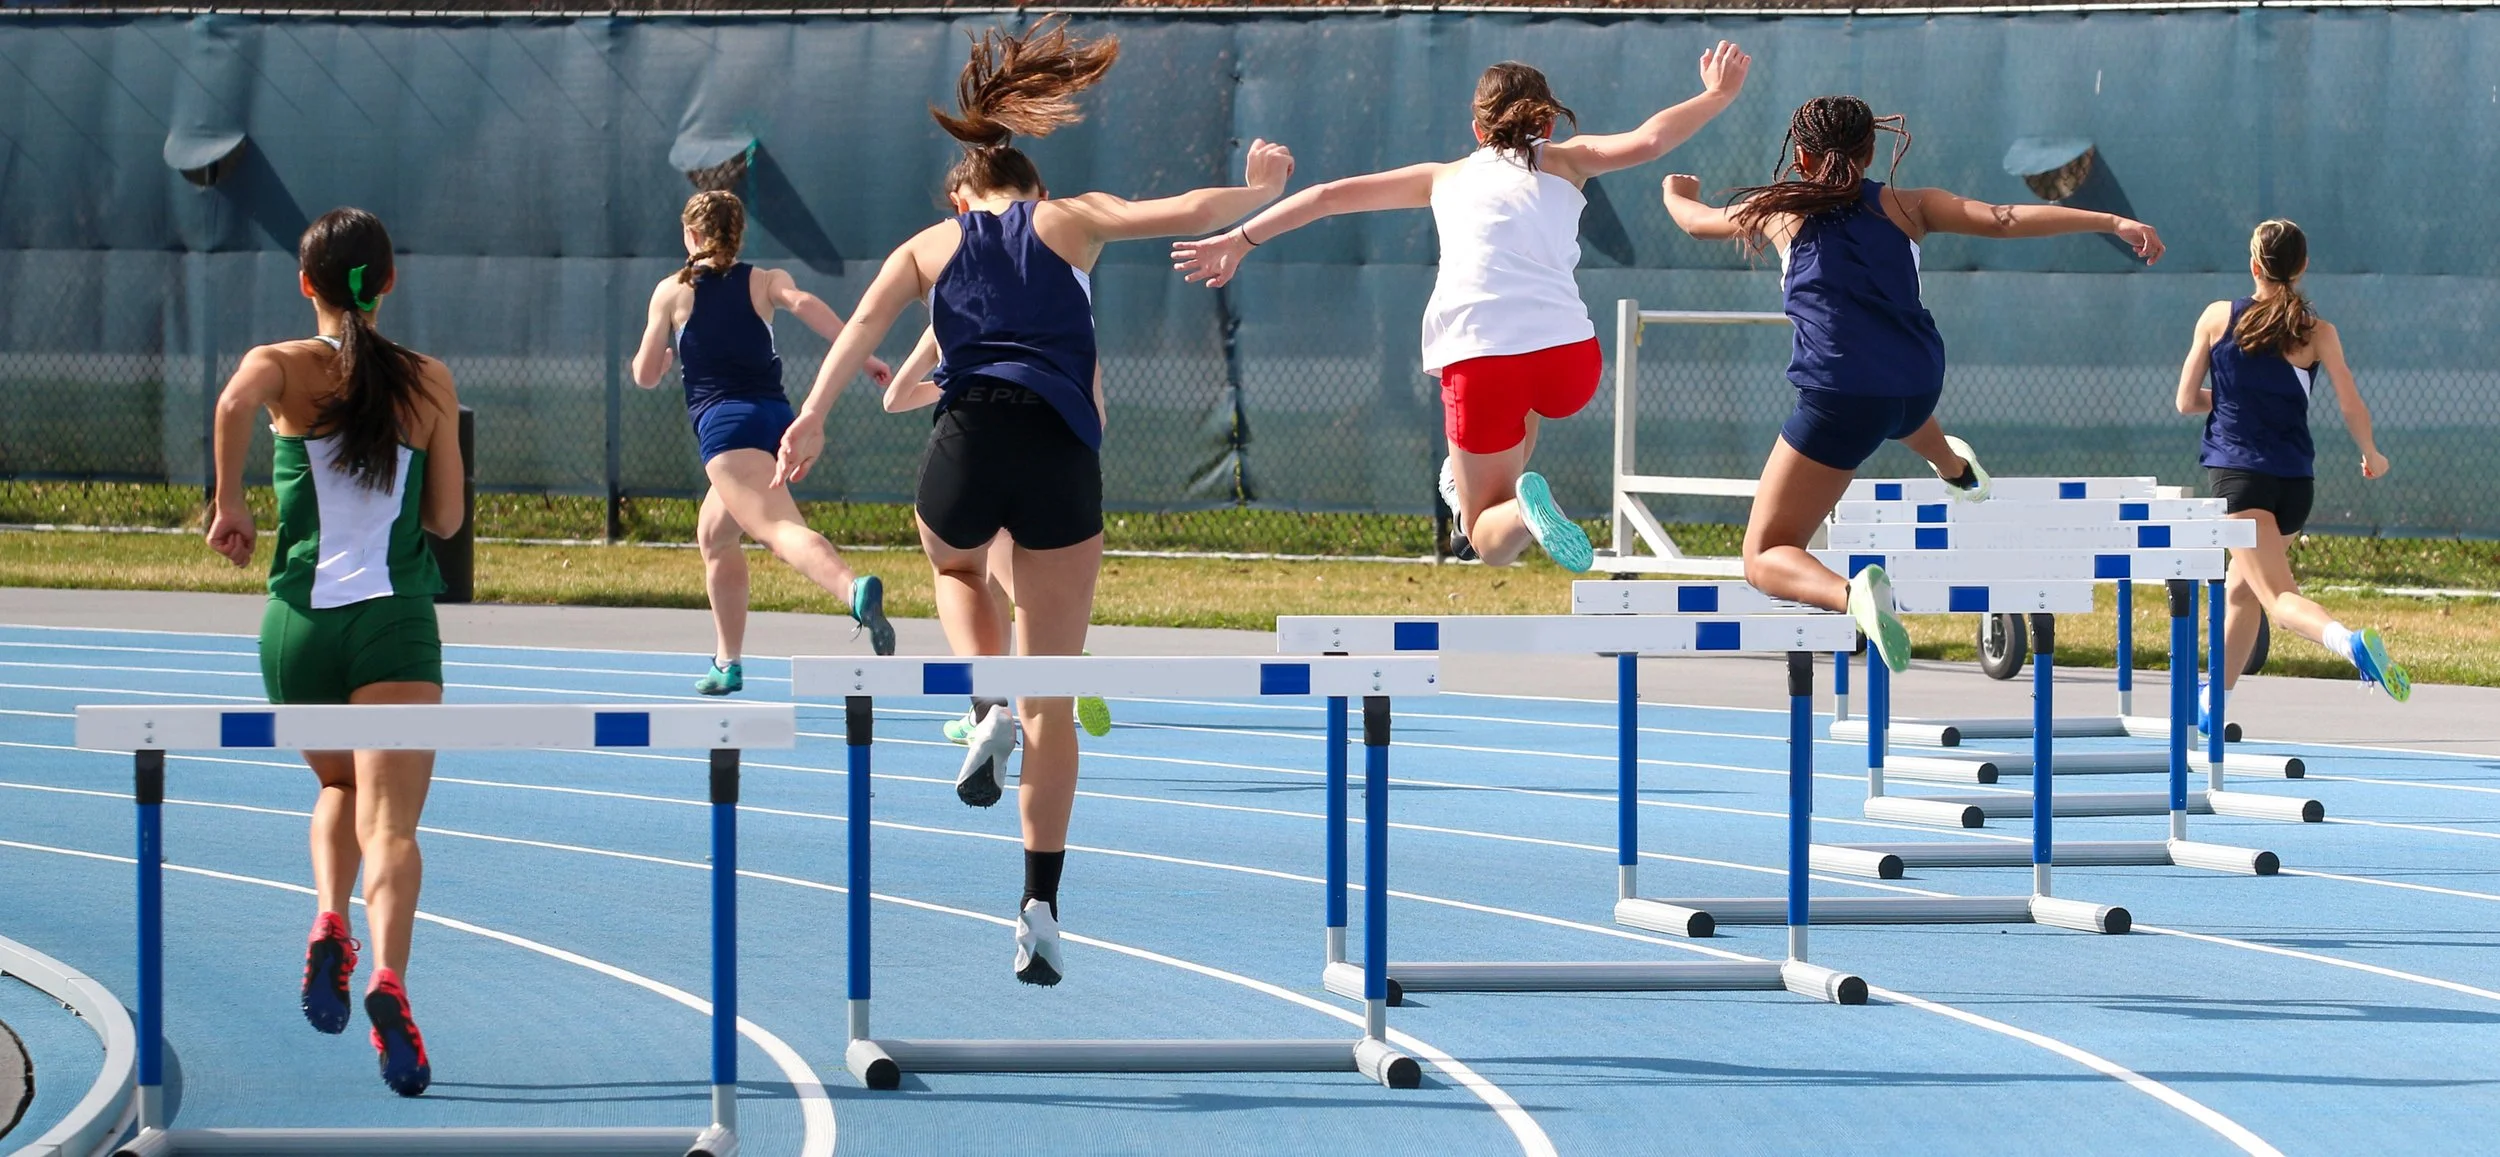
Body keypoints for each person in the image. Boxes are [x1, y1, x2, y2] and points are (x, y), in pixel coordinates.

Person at [776, 16, 1292, 985]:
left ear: (962, 191)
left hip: (966, 438)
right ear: (1034, 189)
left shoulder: (926, 244)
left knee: (956, 562)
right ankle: (1039, 904)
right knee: (1053, 691)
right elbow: (1177, 207)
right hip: (1060, 456)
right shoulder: (1074, 219)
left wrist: (807, 419)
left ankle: (985, 706)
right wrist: (1257, 194)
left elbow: (859, 332)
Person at [1172, 44, 1753, 572]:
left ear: (1477, 129)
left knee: (1489, 535)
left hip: (1481, 356)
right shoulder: (1569, 161)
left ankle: (1514, 515)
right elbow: (1651, 139)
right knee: (1520, 427)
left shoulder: (1441, 177)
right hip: (1571, 360)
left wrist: (1238, 240)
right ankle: (1493, 493)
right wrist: (1716, 93)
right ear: (1547, 122)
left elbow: (1327, 198)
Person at [1660, 95, 2164, 671]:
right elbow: (2004, 218)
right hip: (1918, 383)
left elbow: (1698, 224)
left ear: (1801, 157)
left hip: (1841, 399)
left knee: (1765, 554)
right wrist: (2112, 221)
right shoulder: (1909, 205)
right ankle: (1956, 469)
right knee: (1896, 406)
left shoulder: (1780, 212)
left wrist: (1677, 193)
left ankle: (1852, 596)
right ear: (1871, 151)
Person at [204, 207, 459, 1097]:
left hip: (296, 629)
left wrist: (230, 502)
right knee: (390, 821)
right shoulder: (427, 382)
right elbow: (447, 521)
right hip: (391, 624)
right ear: (388, 284)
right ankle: (387, 975)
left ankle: (327, 919)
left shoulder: (281, 366)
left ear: (306, 284)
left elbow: (234, 400)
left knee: (338, 786)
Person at [632, 190, 899, 691]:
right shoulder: (766, 280)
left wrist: (663, 362)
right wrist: (862, 356)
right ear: (738, 235)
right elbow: (804, 304)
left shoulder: (671, 292)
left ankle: (852, 589)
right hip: (772, 418)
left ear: (690, 235)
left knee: (777, 530)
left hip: (725, 429)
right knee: (715, 535)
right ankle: (727, 662)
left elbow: (645, 374)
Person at [2175, 219, 2406, 706]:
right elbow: (2350, 403)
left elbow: (2185, 400)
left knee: (2278, 601)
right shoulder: (2317, 331)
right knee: (2242, 591)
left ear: (2254, 265)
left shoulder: (2218, 317)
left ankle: (2348, 642)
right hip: (2295, 485)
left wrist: (2234, 399)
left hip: (2241, 481)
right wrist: (2371, 453)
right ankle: (2215, 701)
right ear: (2301, 268)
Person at [885, 327, 1114, 742]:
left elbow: (894, 398)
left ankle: (996, 698)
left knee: (966, 571)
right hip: (1057, 453)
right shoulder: (1068, 308)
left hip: (974, 445)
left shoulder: (952, 312)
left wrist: (952, 384)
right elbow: (1098, 414)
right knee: (994, 580)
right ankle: (1024, 676)